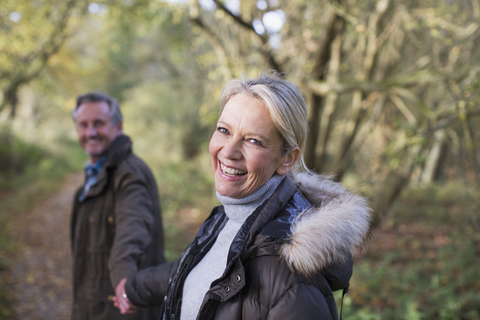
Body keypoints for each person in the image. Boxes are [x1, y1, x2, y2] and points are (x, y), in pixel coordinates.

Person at [117, 72, 371, 319]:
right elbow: (198, 269)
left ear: (287, 159)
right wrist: (132, 288)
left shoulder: (291, 275)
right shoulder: (235, 215)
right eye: (224, 130)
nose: (228, 152)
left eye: (253, 141)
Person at [70, 92, 166, 320]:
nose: (90, 132)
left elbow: (132, 227)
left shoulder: (129, 175)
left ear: (118, 126)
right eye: (83, 125)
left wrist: (124, 279)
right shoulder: (94, 178)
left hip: (122, 309)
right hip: (91, 306)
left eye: (99, 124)